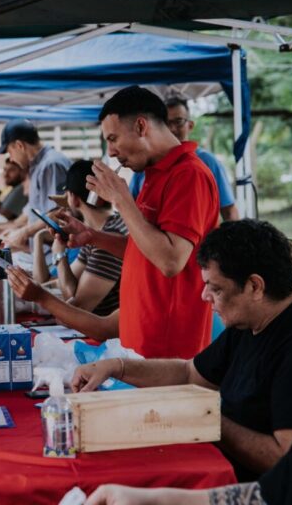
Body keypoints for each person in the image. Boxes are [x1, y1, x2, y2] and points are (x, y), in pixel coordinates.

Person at [71, 219, 292, 483]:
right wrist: (117, 367)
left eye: (216, 288)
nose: (204, 296)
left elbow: (287, 459)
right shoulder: (252, 317)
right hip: (217, 463)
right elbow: (189, 373)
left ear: (255, 286)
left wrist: (206, 418)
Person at [56, 85, 218, 358]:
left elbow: (170, 261)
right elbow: (144, 248)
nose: (112, 152)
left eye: (114, 139)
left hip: (168, 347)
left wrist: (121, 200)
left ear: (141, 126)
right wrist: (93, 237)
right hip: (139, 340)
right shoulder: (153, 174)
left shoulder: (189, 175)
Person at [32, 159, 127, 316]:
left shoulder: (108, 237)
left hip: (107, 337)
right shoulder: (98, 231)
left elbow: (76, 307)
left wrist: (59, 254)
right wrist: (39, 238)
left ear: (73, 198)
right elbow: (64, 284)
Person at [130, 95, 239, 222]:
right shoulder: (147, 165)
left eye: (178, 121)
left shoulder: (207, 162)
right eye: (166, 123)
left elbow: (229, 211)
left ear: (190, 125)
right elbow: (132, 209)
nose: (172, 129)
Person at [0, 119, 71, 251]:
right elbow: (36, 211)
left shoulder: (50, 165)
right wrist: (14, 230)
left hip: (56, 255)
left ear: (19, 146)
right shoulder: (38, 166)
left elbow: (58, 213)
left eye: (9, 152)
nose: (11, 159)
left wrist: (24, 232)